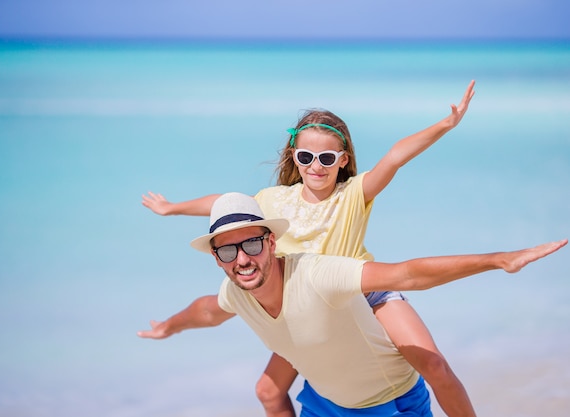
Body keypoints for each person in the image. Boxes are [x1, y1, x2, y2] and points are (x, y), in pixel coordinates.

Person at [142, 82, 478, 416]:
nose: (316, 166)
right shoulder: (273, 200)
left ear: (343, 160)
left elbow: (395, 157)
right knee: (268, 391)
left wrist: (446, 124)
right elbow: (223, 203)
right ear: (294, 157)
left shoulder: (353, 194)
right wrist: (172, 208)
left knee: (435, 366)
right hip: (307, 307)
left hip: (365, 294)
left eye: (327, 158)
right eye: (306, 156)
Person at [138, 192, 566, 417]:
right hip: (323, 405)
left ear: (270, 240)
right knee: (268, 391)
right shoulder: (235, 293)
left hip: (391, 403)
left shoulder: (318, 273)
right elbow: (205, 311)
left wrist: (500, 260)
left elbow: (407, 274)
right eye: (228, 251)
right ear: (216, 258)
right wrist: (169, 328)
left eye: (250, 243)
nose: (242, 259)